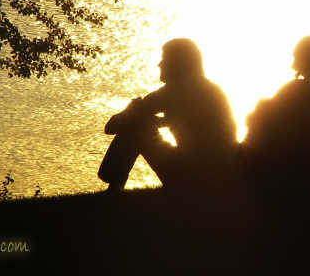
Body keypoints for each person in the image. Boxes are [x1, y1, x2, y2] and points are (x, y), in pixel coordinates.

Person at [97, 38, 238, 191]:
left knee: (135, 129)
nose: (160, 64)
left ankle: (114, 189)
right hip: (220, 173)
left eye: (164, 58)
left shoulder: (173, 91)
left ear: (177, 62)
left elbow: (111, 126)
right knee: (138, 123)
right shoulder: (209, 89)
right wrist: (150, 118)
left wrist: (133, 109)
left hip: (195, 177)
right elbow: (188, 123)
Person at [242, 35, 310, 180]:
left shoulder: (291, 91)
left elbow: (267, 132)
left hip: (294, 176)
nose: (293, 64)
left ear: (303, 61)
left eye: (296, 58)